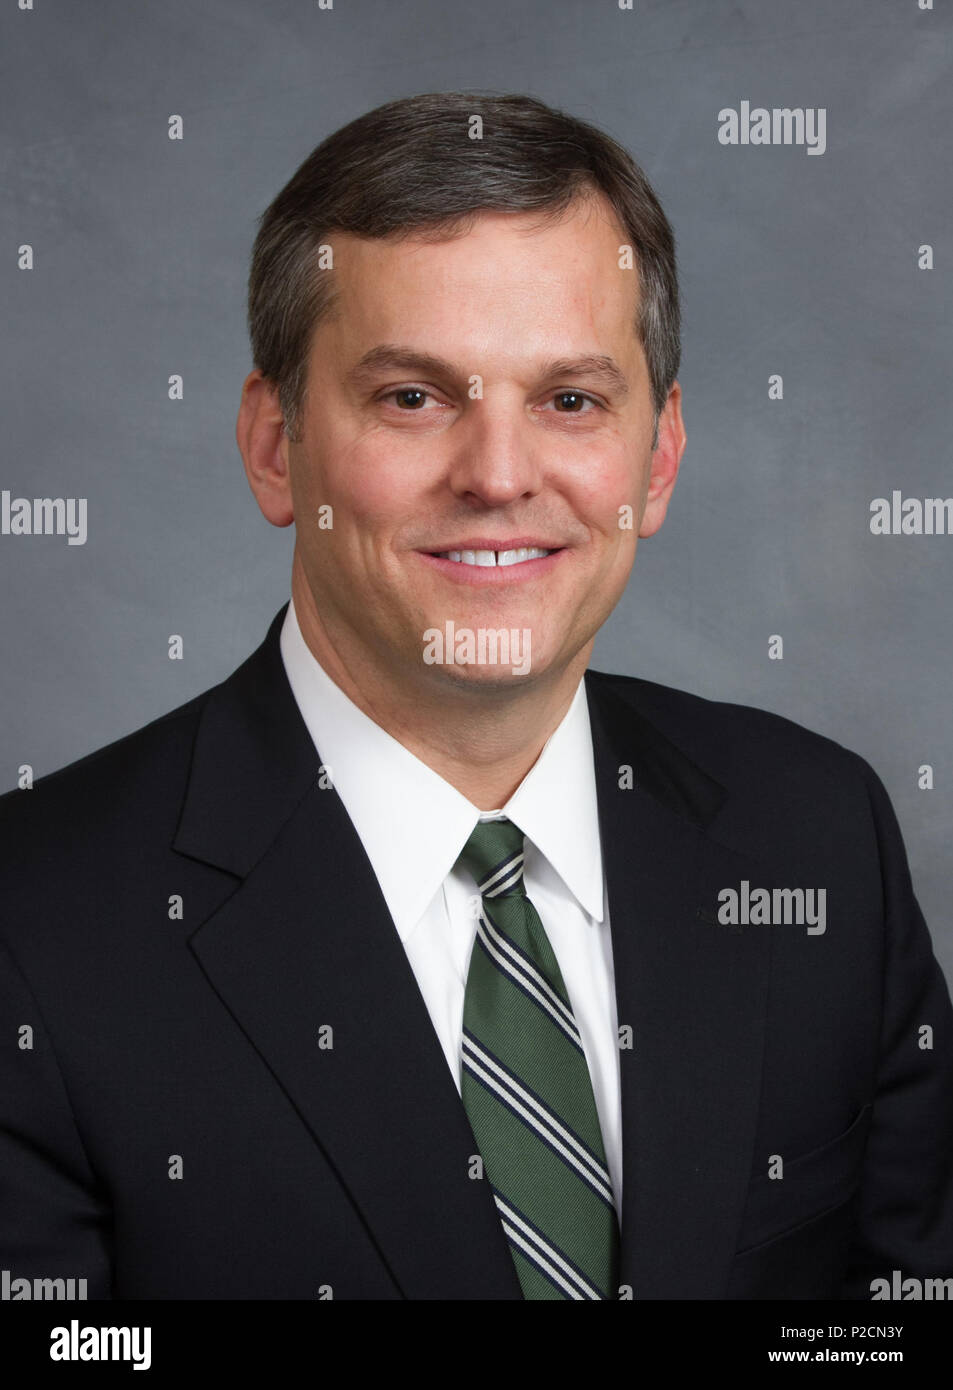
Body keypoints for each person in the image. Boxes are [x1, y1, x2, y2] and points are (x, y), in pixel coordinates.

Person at [1, 91, 951, 1301]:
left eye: (569, 400)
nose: (498, 475)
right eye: (413, 396)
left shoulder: (817, 839)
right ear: (271, 442)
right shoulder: (33, 929)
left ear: (654, 461)